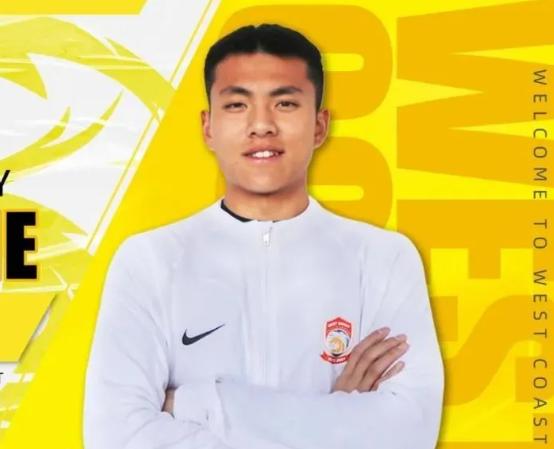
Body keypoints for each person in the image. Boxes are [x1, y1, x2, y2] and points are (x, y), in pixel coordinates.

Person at [83, 23, 444, 449]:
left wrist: (201, 404)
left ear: (319, 125)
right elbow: (116, 437)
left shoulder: (384, 259)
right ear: (208, 127)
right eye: (237, 105)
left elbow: (408, 433)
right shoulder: (150, 261)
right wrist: (338, 414)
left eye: (285, 103)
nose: (261, 125)